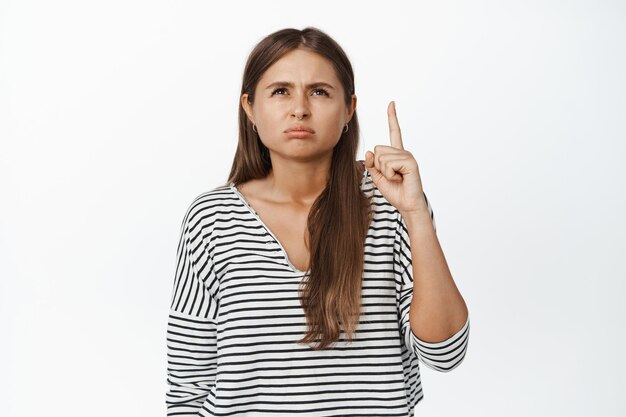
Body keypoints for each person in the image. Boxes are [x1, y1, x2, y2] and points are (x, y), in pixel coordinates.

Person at [165, 26, 470, 416]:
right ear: (250, 108)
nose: (300, 109)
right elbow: (188, 385)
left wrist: (415, 214)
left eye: (319, 91)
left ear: (349, 109)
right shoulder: (212, 219)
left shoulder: (392, 203)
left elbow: (445, 353)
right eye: (280, 91)